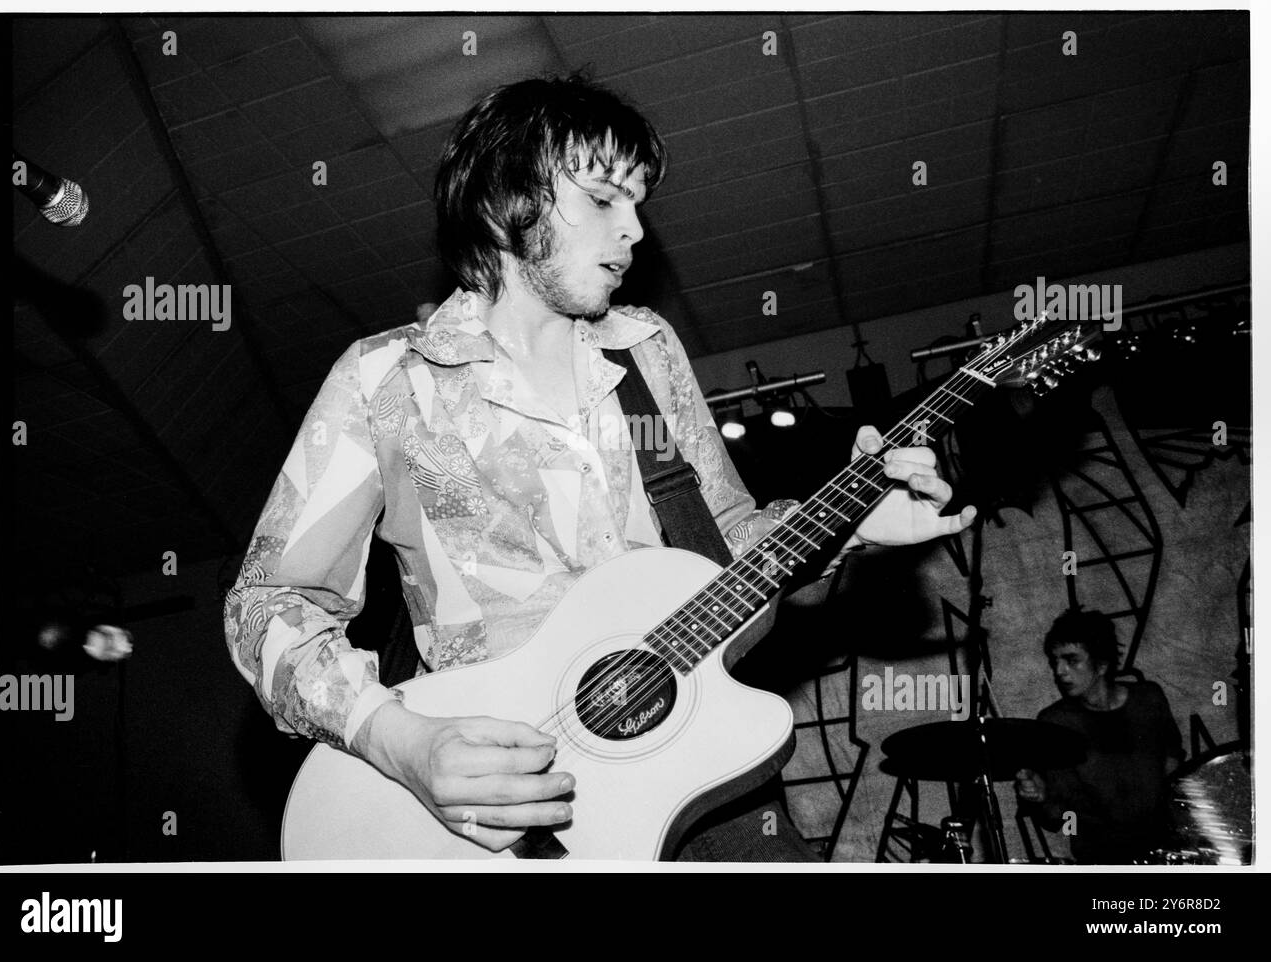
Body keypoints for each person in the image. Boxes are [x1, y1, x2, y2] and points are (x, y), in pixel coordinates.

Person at [223, 74, 975, 860]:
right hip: (499, 814)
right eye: (605, 199)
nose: (637, 230)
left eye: (640, 202)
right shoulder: (386, 381)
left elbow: (728, 546)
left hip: (701, 782)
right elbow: (267, 606)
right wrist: (399, 741)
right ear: (500, 204)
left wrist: (850, 524)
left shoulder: (648, 351)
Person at [1015, 609, 1185, 863]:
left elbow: (1174, 764)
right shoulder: (1055, 723)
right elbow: (1057, 819)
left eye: (1071, 660)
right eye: (1055, 662)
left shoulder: (1149, 698)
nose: (1059, 671)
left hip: (1166, 849)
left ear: (1102, 664)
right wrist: (1040, 798)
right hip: (1103, 857)